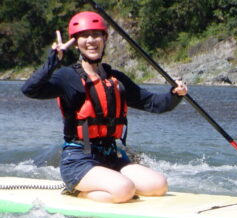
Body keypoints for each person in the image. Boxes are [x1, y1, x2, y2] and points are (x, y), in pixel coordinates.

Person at [22, 11, 189, 203]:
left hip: (110, 157)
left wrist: (175, 95)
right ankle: (76, 191)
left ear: (104, 38)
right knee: (124, 189)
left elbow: (154, 104)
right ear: (76, 42)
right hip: (79, 159)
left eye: (96, 34)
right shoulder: (67, 77)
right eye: (84, 36)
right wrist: (54, 59)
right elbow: (30, 90)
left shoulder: (116, 79)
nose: (91, 40)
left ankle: (113, 186)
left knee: (159, 185)